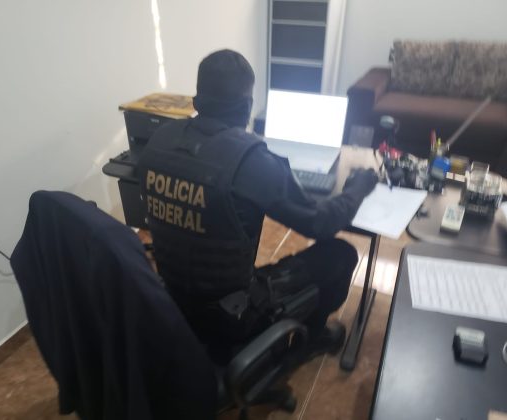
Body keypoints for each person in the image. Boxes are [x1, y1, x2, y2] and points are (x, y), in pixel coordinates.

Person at [138, 49, 378, 362]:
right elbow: (320, 223)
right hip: (231, 315)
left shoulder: (159, 141)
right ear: (247, 107)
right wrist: (358, 188)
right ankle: (310, 340)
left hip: (172, 298)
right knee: (340, 255)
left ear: (196, 102)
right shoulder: (251, 160)